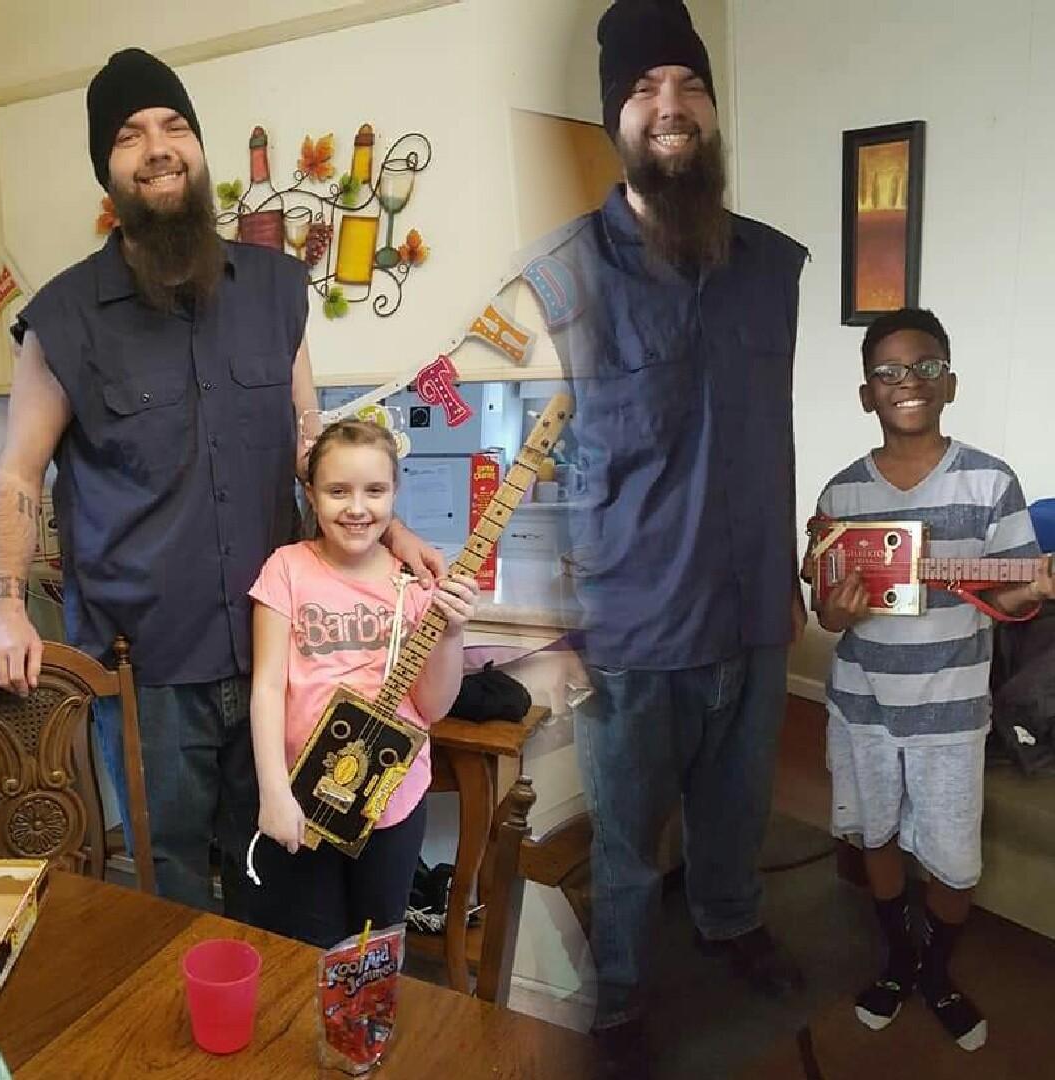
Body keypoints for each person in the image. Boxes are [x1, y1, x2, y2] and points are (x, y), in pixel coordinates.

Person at [0, 48, 441, 917]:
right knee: (174, 883)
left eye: (174, 126)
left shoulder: (276, 289)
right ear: (106, 171)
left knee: (284, 865)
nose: (157, 147)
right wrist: (6, 606)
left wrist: (388, 530)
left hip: (283, 649)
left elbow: (313, 443)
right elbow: (18, 472)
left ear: (199, 148)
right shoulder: (64, 318)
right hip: (146, 665)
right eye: (129, 135)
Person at [521, 0, 808, 1053]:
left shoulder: (773, 269)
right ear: (617, 122)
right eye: (644, 90)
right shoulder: (561, 277)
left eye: (688, 85)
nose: (670, 105)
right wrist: (548, 632)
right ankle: (626, 993)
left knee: (737, 813)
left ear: (714, 113)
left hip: (751, 607)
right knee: (630, 845)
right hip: (629, 626)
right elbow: (523, 468)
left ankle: (733, 922)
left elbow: (766, 433)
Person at [810, 307, 1053, 1051]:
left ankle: (938, 970)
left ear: (950, 382)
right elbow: (825, 612)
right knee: (877, 834)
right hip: (863, 707)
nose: (905, 383)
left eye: (923, 367)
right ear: (865, 395)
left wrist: (1036, 588)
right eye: (886, 372)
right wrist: (841, 607)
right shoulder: (841, 495)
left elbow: (1004, 595)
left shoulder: (990, 482)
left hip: (950, 712)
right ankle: (898, 961)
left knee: (953, 860)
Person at [246, 420, 478, 945]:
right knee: (308, 944)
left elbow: (433, 708)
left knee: (376, 945)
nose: (357, 508)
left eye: (374, 490)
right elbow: (266, 688)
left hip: (393, 803)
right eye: (337, 491)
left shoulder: (415, 585)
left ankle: (371, 1029)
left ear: (395, 492)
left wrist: (451, 633)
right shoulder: (287, 568)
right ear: (310, 494)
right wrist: (274, 792)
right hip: (307, 797)